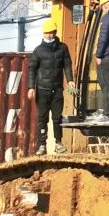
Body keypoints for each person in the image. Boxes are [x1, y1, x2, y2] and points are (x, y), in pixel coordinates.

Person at [27, 19, 73, 154]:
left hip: (57, 89)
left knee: (57, 118)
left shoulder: (63, 48)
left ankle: (59, 143)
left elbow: (67, 65)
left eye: (51, 33)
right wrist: (31, 87)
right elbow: (32, 70)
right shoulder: (38, 51)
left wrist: (70, 80)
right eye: (47, 33)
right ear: (43, 34)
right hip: (42, 90)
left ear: (55, 32)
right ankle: (42, 145)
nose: (49, 36)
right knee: (42, 119)